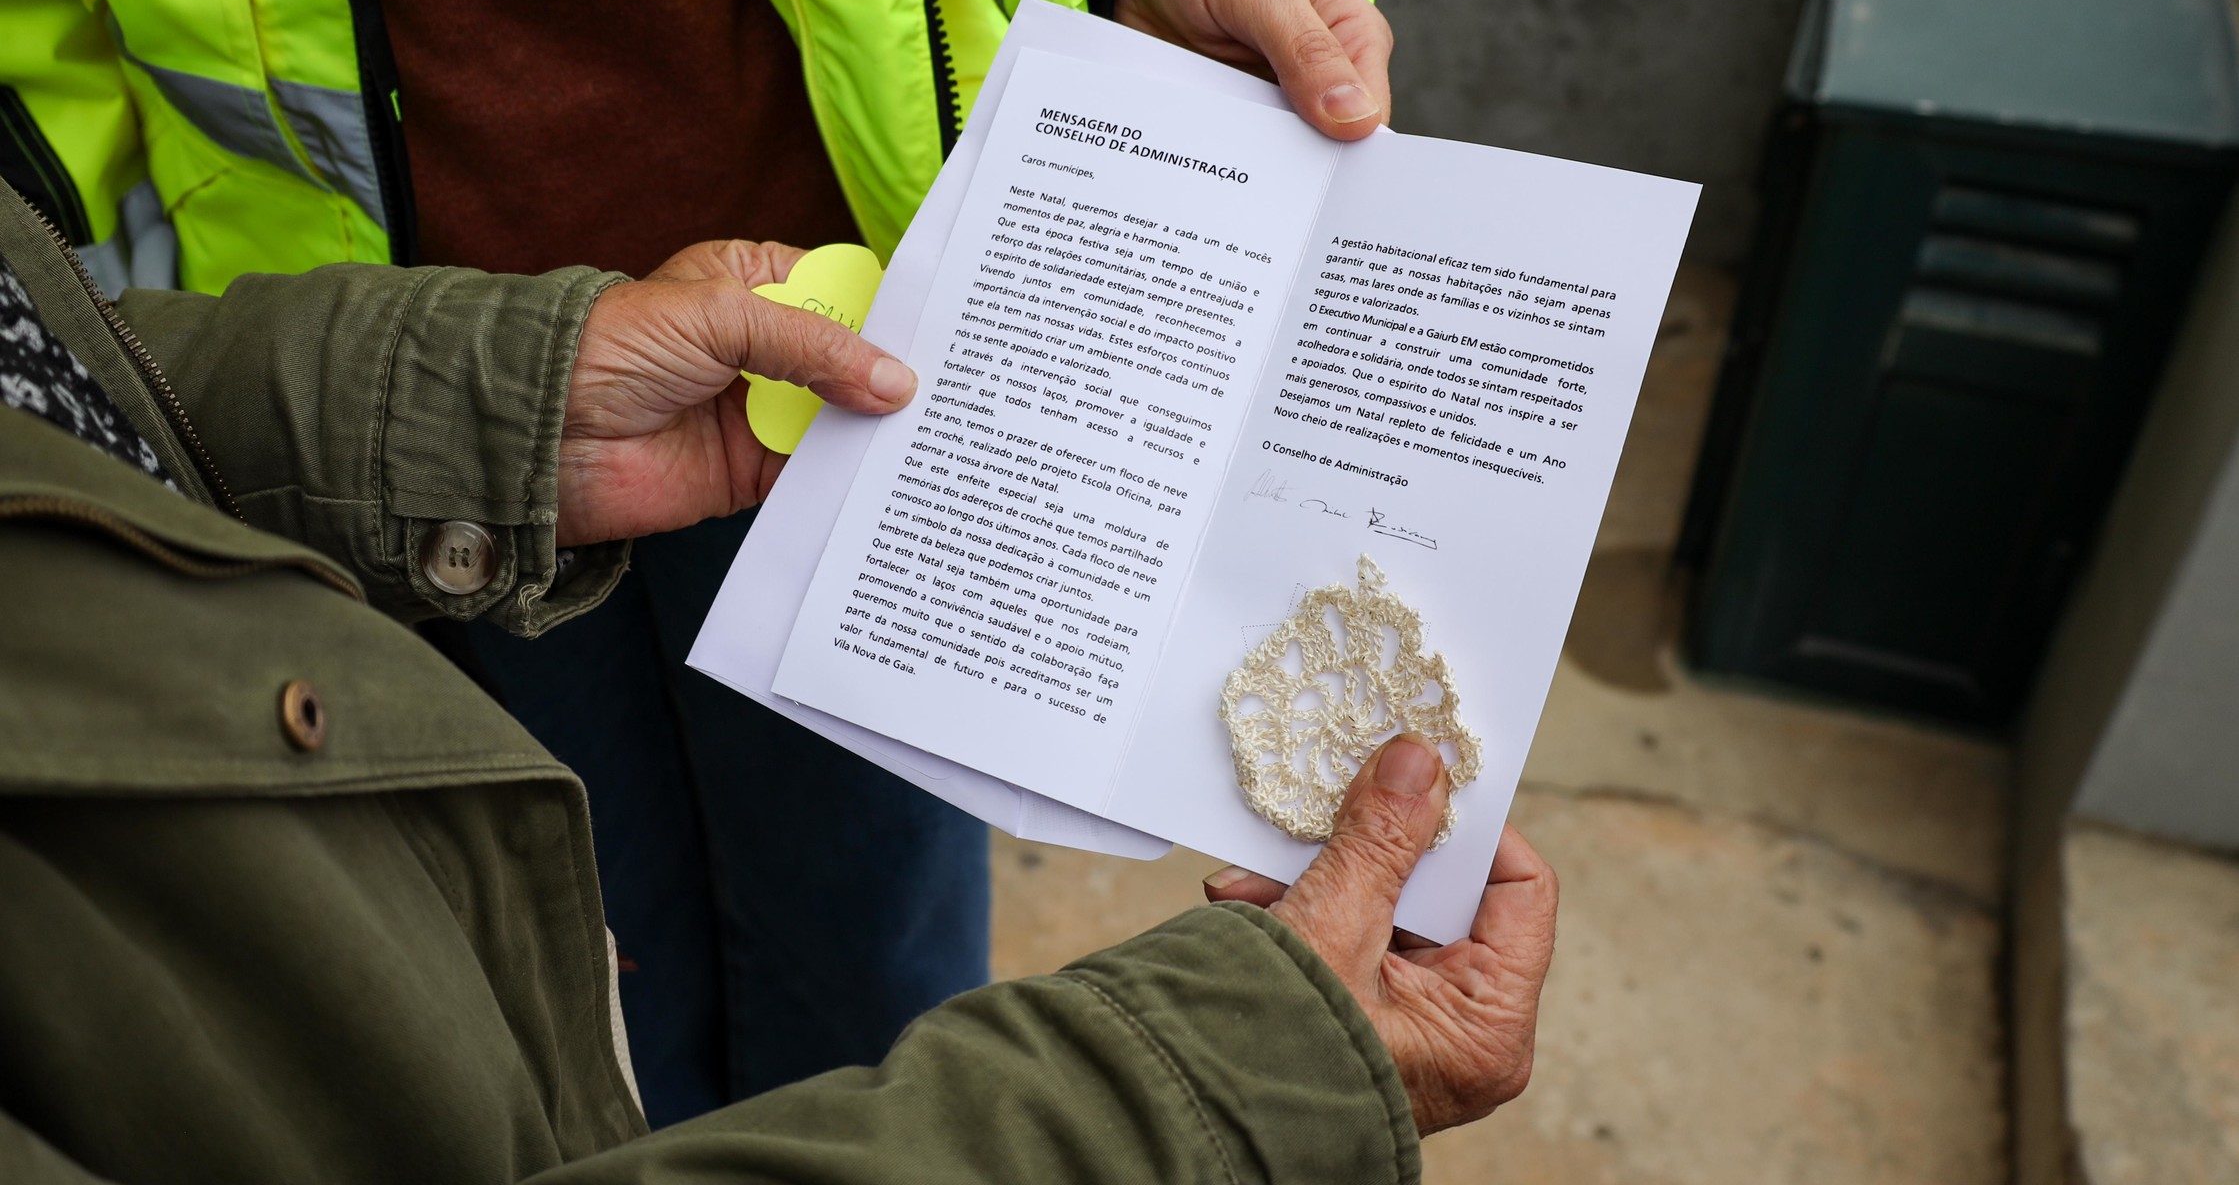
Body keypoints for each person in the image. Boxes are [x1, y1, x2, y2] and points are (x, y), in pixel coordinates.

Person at [0, 0, 1395, 1119]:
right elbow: (35, 51)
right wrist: (159, 443)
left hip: (856, 368)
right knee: (555, 1003)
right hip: (377, 420)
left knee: (876, 986)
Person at [0, 181, 1553, 1183]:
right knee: (647, 956)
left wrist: (474, 411)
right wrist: (1227, 1076)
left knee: (844, 946)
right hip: (399, 278)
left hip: (740, 388)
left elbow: (52, 393)